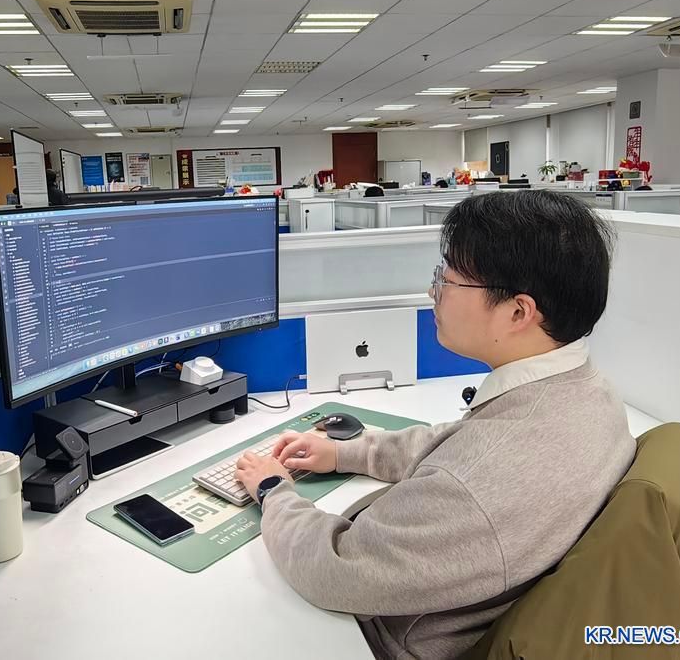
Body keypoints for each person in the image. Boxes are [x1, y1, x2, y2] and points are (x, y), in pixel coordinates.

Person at [235, 190, 635, 659]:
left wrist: (273, 491)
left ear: (518, 312)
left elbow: (334, 569)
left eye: (447, 280)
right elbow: (458, 443)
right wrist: (346, 451)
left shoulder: (475, 483)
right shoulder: (592, 394)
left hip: (385, 639)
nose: (433, 293)